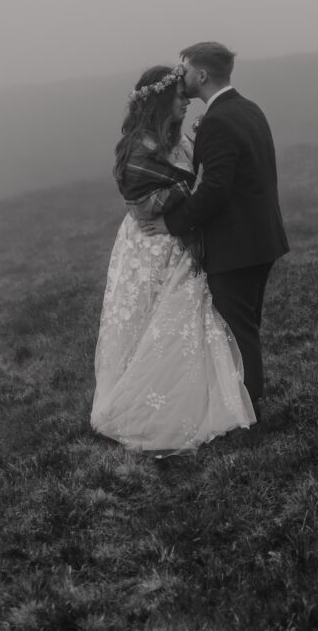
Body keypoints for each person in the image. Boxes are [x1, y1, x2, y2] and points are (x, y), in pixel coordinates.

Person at [90, 64, 256, 457]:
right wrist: (184, 200)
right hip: (151, 244)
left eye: (185, 93)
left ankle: (192, 400)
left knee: (182, 320)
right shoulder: (138, 146)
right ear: (162, 100)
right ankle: (147, 408)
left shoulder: (176, 138)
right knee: (150, 321)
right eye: (180, 95)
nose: (186, 100)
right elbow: (140, 201)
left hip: (177, 237)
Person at [142, 42, 289, 424]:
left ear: (202, 74)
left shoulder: (219, 121)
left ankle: (250, 415)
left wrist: (172, 223)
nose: (181, 76)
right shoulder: (249, 108)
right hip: (263, 238)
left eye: (185, 68)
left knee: (239, 333)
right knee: (246, 327)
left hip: (236, 246)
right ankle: (246, 406)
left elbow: (216, 188)